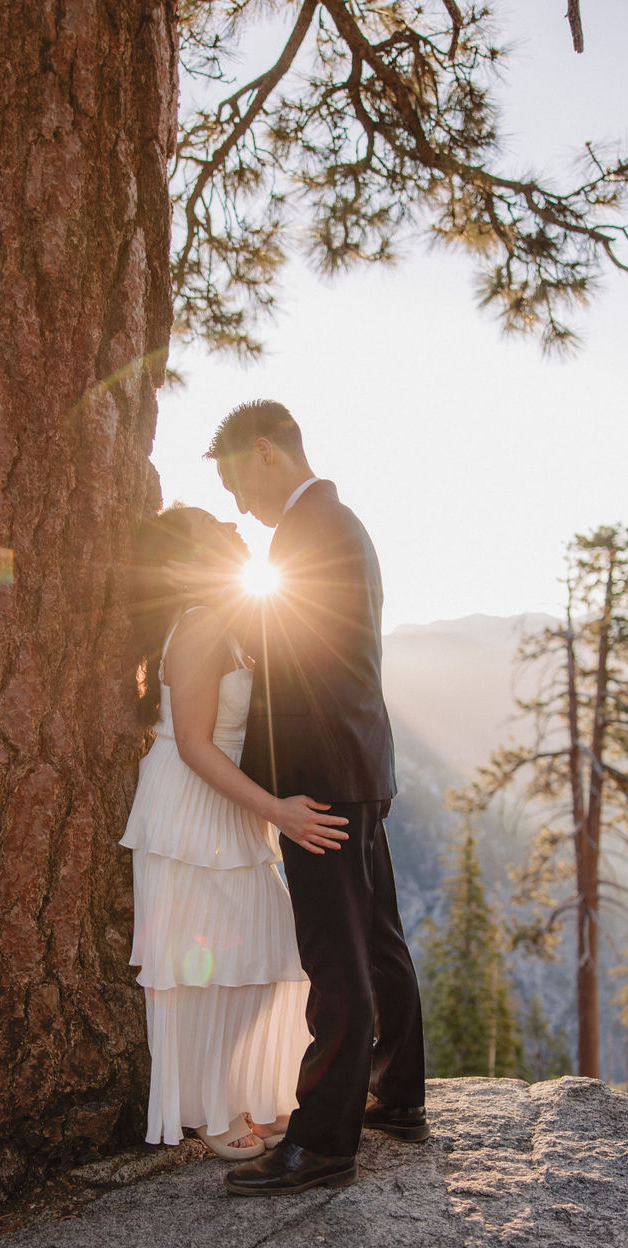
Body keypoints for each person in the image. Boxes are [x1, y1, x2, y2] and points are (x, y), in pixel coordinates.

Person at [196, 400, 429, 1196]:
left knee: (336, 958)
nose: (237, 504)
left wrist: (269, 787)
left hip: (321, 773)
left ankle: (323, 1141)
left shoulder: (310, 532)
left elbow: (308, 669)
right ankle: (397, 1094)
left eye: (233, 479)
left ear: (265, 451)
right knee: (377, 935)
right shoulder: (339, 521)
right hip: (359, 760)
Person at [120, 504, 349, 1159]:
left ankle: (251, 1088)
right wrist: (279, 810)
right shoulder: (197, 625)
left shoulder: (230, 618)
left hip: (226, 803)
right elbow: (193, 743)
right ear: (175, 565)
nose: (229, 532)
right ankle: (210, 1109)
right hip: (191, 805)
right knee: (202, 959)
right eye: (210, 533)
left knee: (265, 948)